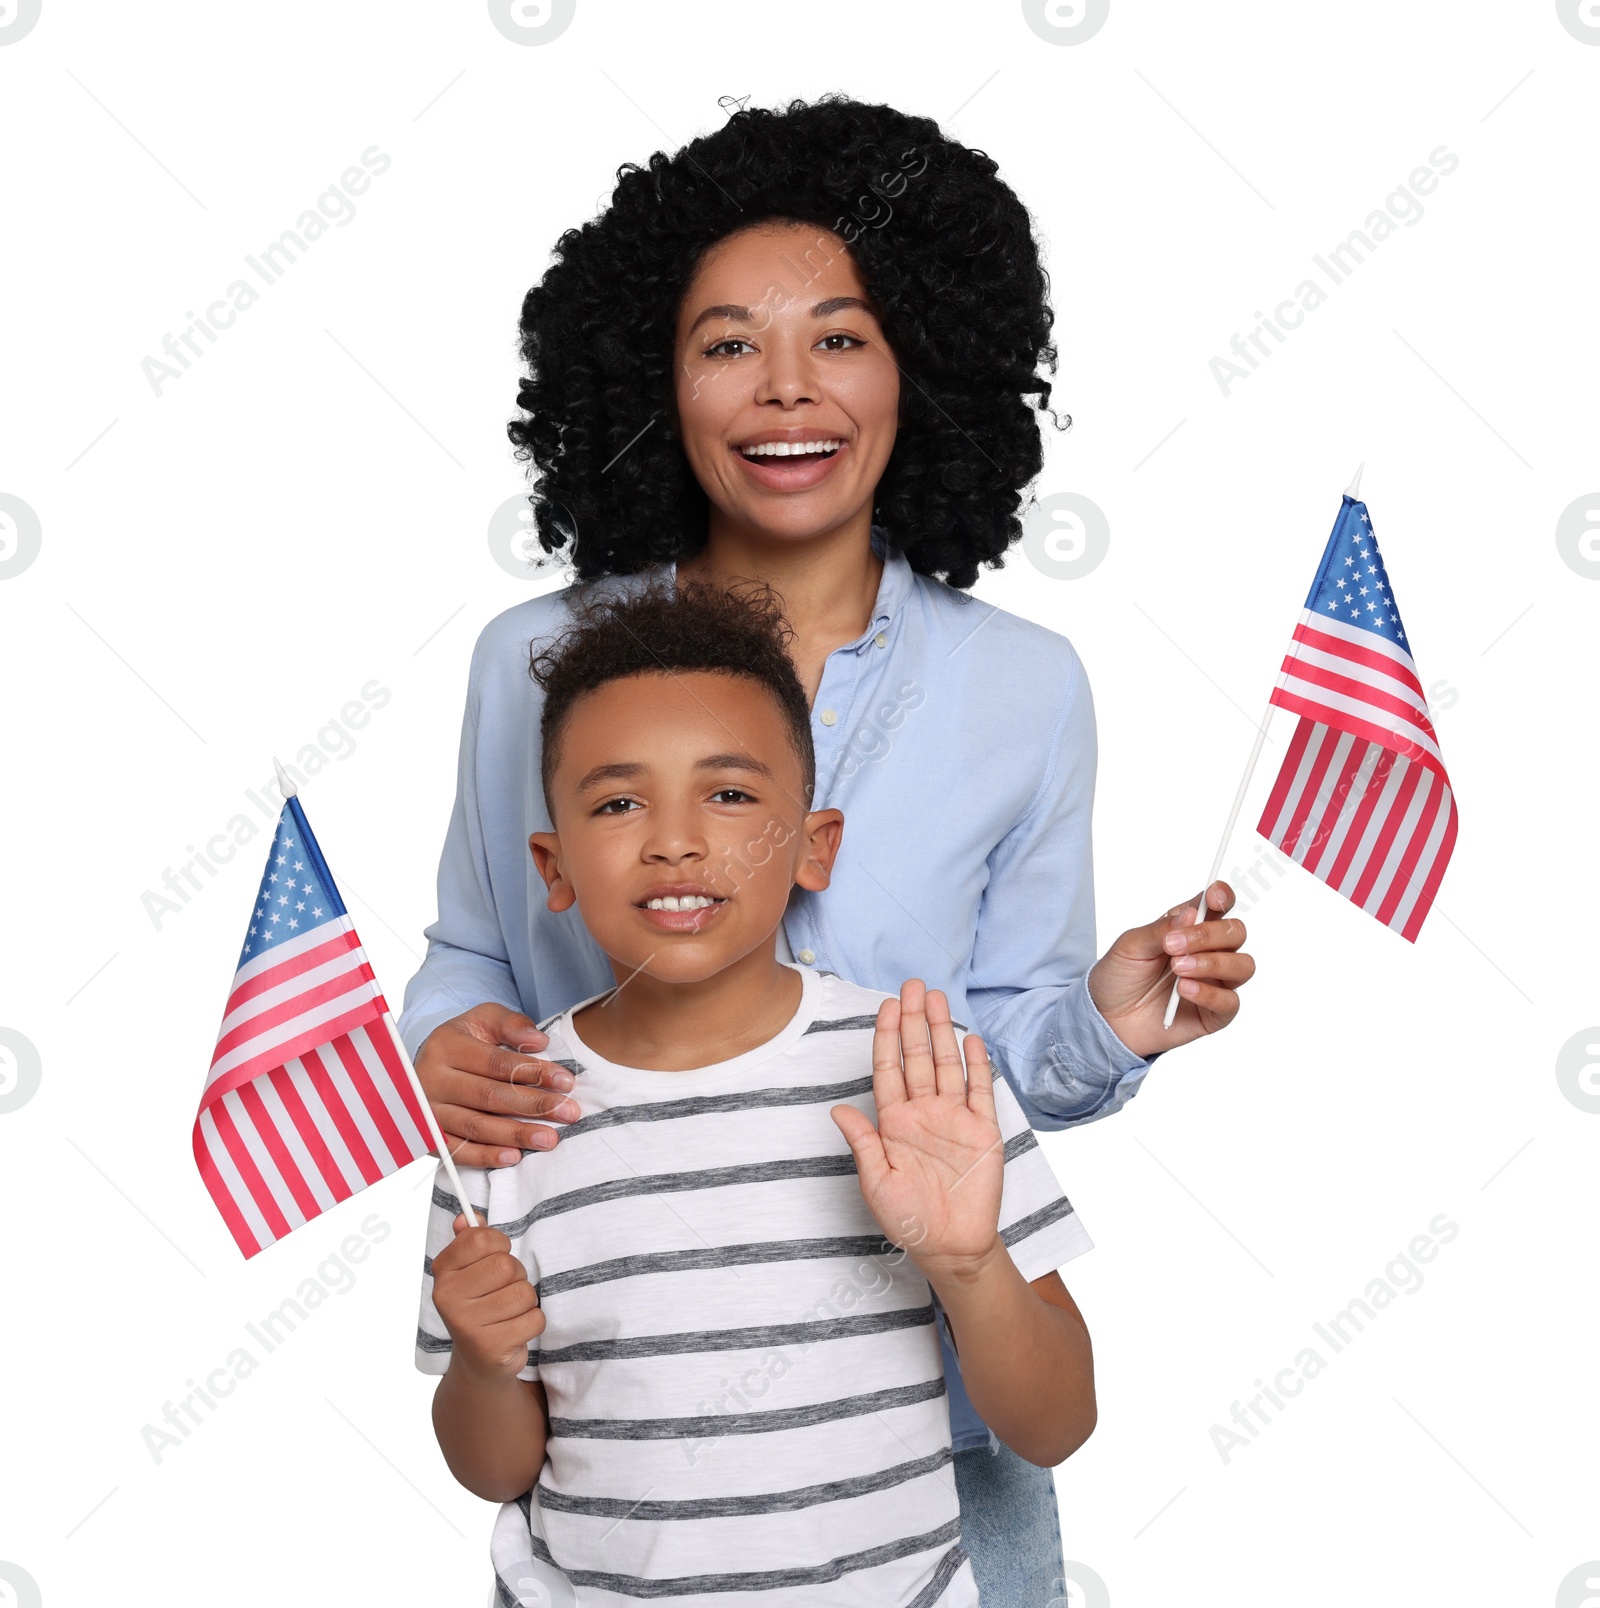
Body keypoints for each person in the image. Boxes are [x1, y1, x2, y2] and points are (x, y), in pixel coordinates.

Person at [399, 95, 1255, 1602]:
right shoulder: (531, 663)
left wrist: (1103, 1027)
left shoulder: (1026, 688)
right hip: (624, 1395)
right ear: (656, 384)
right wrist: (448, 1044)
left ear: (924, 365)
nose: (785, 390)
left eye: (841, 336)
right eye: (728, 343)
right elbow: (474, 946)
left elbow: (995, 1056)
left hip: (925, 1389)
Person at [416, 581, 1098, 1606]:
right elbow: (495, 1469)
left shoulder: (917, 1071)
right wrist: (478, 1363)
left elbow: (1054, 1423)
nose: (675, 840)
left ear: (814, 846)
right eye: (617, 802)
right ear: (551, 866)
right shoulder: (508, 1113)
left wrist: (965, 1262)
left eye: (729, 794)